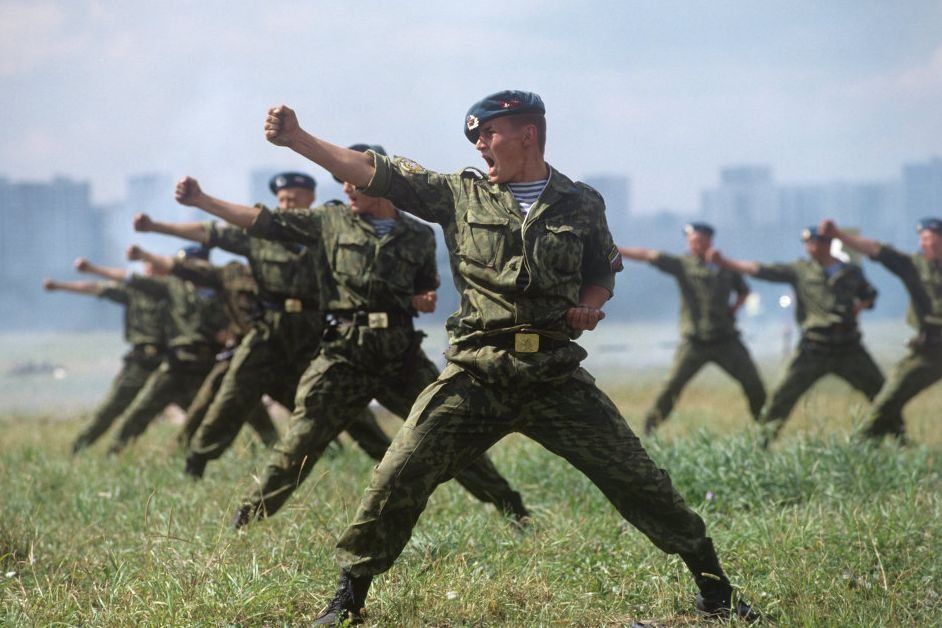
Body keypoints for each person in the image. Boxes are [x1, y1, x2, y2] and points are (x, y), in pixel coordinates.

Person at [260, 91, 756, 623]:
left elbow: (602, 268)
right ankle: (348, 600)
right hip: (478, 372)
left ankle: (718, 596)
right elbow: (377, 171)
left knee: (640, 481)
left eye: (487, 135)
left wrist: (590, 306)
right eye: (475, 138)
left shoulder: (581, 202)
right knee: (398, 472)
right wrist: (299, 140)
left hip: (553, 375)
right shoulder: (459, 194)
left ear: (527, 135)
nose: (478, 145)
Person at [175, 143, 530, 530]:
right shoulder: (331, 222)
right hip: (345, 354)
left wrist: (423, 297)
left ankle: (512, 509)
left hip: (399, 355)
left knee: (448, 433)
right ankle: (243, 522)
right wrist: (203, 200)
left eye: (353, 180)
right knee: (300, 444)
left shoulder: (418, 235)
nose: (346, 188)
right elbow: (264, 222)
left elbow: (425, 284)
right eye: (341, 181)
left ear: (379, 179)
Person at [133, 173, 390, 479]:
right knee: (230, 398)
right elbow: (210, 233)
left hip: (313, 334)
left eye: (294, 198)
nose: (287, 203)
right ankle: (195, 463)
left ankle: (388, 463)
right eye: (282, 199)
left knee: (342, 396)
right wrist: (155, 227)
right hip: (268, 333)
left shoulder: (329, 231)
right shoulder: (259, 235)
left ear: (311, 198)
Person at [708, 226, 884, 446]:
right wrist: (725, 263)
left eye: (815, 243)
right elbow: (760, 270)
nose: (810, 248)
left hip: (849, 346)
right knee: (782, 397)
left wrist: (858, 308)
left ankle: (898, 439)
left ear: (827, 244)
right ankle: (761, 444)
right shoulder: (799, 270)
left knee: (882, 394)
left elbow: (869, 295)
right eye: (807, 243)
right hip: (814, 348)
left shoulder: (850, 272)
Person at [618, 223, 765, 434]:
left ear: (708, 240)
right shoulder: (682, 264)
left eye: (697, 240)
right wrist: (616, 249)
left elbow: (743, 290)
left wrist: (734, 308)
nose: (693, 244)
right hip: (694, 342)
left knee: (753, 383)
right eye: (690, 241)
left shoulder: (724, 265)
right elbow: (648, 255)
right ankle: (649, 431)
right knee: (671, 387)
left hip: (726, 339)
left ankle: (765, 430)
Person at [132, 248, 280, 451]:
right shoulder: (183, 291)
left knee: (253, 405)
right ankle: (190, 456)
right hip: (202, 361)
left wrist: (228, 333)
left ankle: (275, 445)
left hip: (236, 355)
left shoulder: (221, 284)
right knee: (202, 407)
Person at [820, 217, 942, 441]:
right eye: (922, 239)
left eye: (929, 238)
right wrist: (840, 235)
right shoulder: (914, 266)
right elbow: (876, 250)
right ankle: (861, 449)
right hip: (931, 351)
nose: (924, 244)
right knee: (887, 400)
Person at [106, 244, 229, 455]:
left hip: (211, 362)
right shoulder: (174, 287)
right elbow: (133, 279)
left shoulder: (220, 287)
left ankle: (202, 455)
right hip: (178, 362)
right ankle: (113, 452)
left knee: (216, 412)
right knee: (141, 410)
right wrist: (144, 256)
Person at [43, 257, 169, 453]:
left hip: (175, 362)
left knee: (200, 406)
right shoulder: (135, 291)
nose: (151, 271)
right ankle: (80, 449)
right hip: (142, 360)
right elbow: (95, 287)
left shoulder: (176, 291)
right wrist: (60, 286)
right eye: (149, 268)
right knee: (112, 408)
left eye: (156, 268)